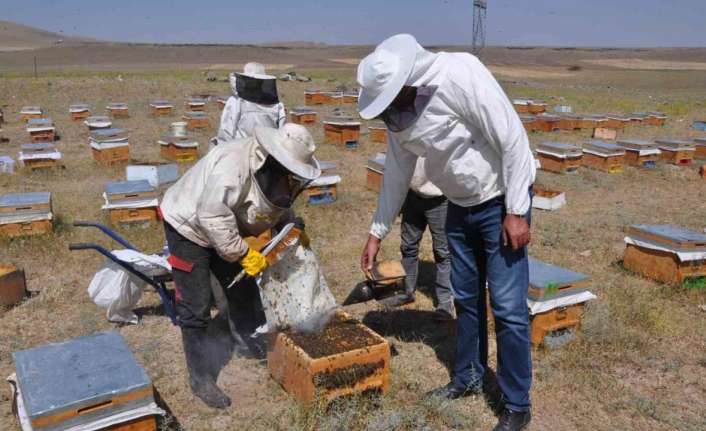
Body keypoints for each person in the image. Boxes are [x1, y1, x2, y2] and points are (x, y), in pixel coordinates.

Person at [356, 34, 536, 431]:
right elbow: (397, 175)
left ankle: (516, 403)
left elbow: (513, 139)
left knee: (506, 307)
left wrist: (517, 210)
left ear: (405, 83)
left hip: (498, 201)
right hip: (458, 206)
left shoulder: (460, 74)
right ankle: (468, 376)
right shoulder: (399, 113)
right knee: (466, 300)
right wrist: (376, 232)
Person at [160, 123, 320, 409]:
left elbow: (277, 203)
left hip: (225, 227)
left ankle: (248, 342)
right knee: (195, 307)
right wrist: (243, 252)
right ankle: (200, 379)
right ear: (273, 160)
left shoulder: (275, 172)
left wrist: (290, 225)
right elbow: (210, 214)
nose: (291, 182)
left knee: (243, 290)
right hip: (188, 226)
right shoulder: (233, 166)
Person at [381, 157, 454, 319]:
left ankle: (444, 303)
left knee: (443, 252)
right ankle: (407, 292)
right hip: (412, 194)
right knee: (408, 247)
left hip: (440, 198)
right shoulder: (404, 133)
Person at [215, 62, 286, 145]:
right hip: (264, 150)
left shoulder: (236, 101)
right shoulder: (277, 104)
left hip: (246, 150)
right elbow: (281, 132)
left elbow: (226, 131)